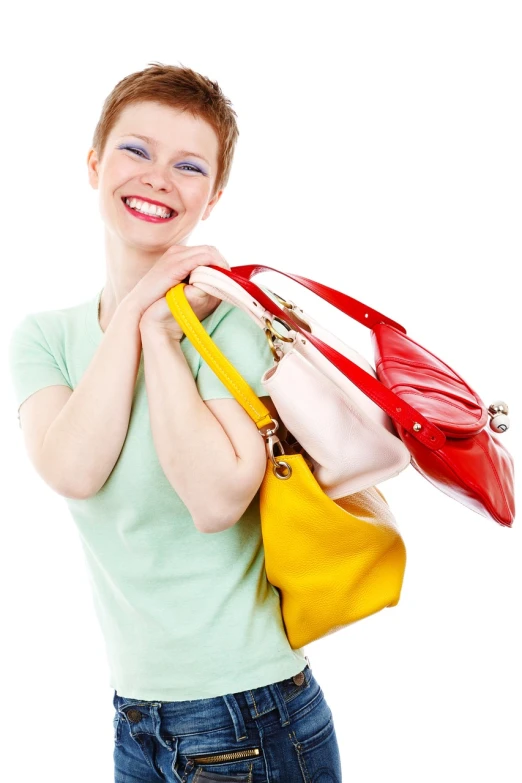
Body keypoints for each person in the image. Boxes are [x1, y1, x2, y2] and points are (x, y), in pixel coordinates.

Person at [8, 63, 343, 782]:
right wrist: (135, 313)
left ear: (212, 197)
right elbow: (72, 468)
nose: (158, 177)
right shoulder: (45, 337)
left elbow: (217, 500)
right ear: (94, 163)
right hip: (137, 715)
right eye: (136, 150)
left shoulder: (234, 330)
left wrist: (165, 336)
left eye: (188, 165)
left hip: (248, 712)